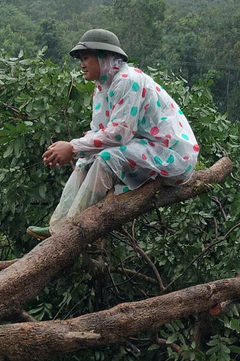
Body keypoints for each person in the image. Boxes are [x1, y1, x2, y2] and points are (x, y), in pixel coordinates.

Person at [29, 29, 199, 239]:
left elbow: (119, 134)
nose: (82, 64)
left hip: (170, 153)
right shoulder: (102, 87)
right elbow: (99, 131)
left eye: (86, 58)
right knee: (87, 158)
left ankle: (71, 231)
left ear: (103, 57)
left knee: (105, 158)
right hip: (144, 146)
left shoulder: (128, 80)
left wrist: (72, 147)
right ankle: (59, 227)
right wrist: (75, 151)